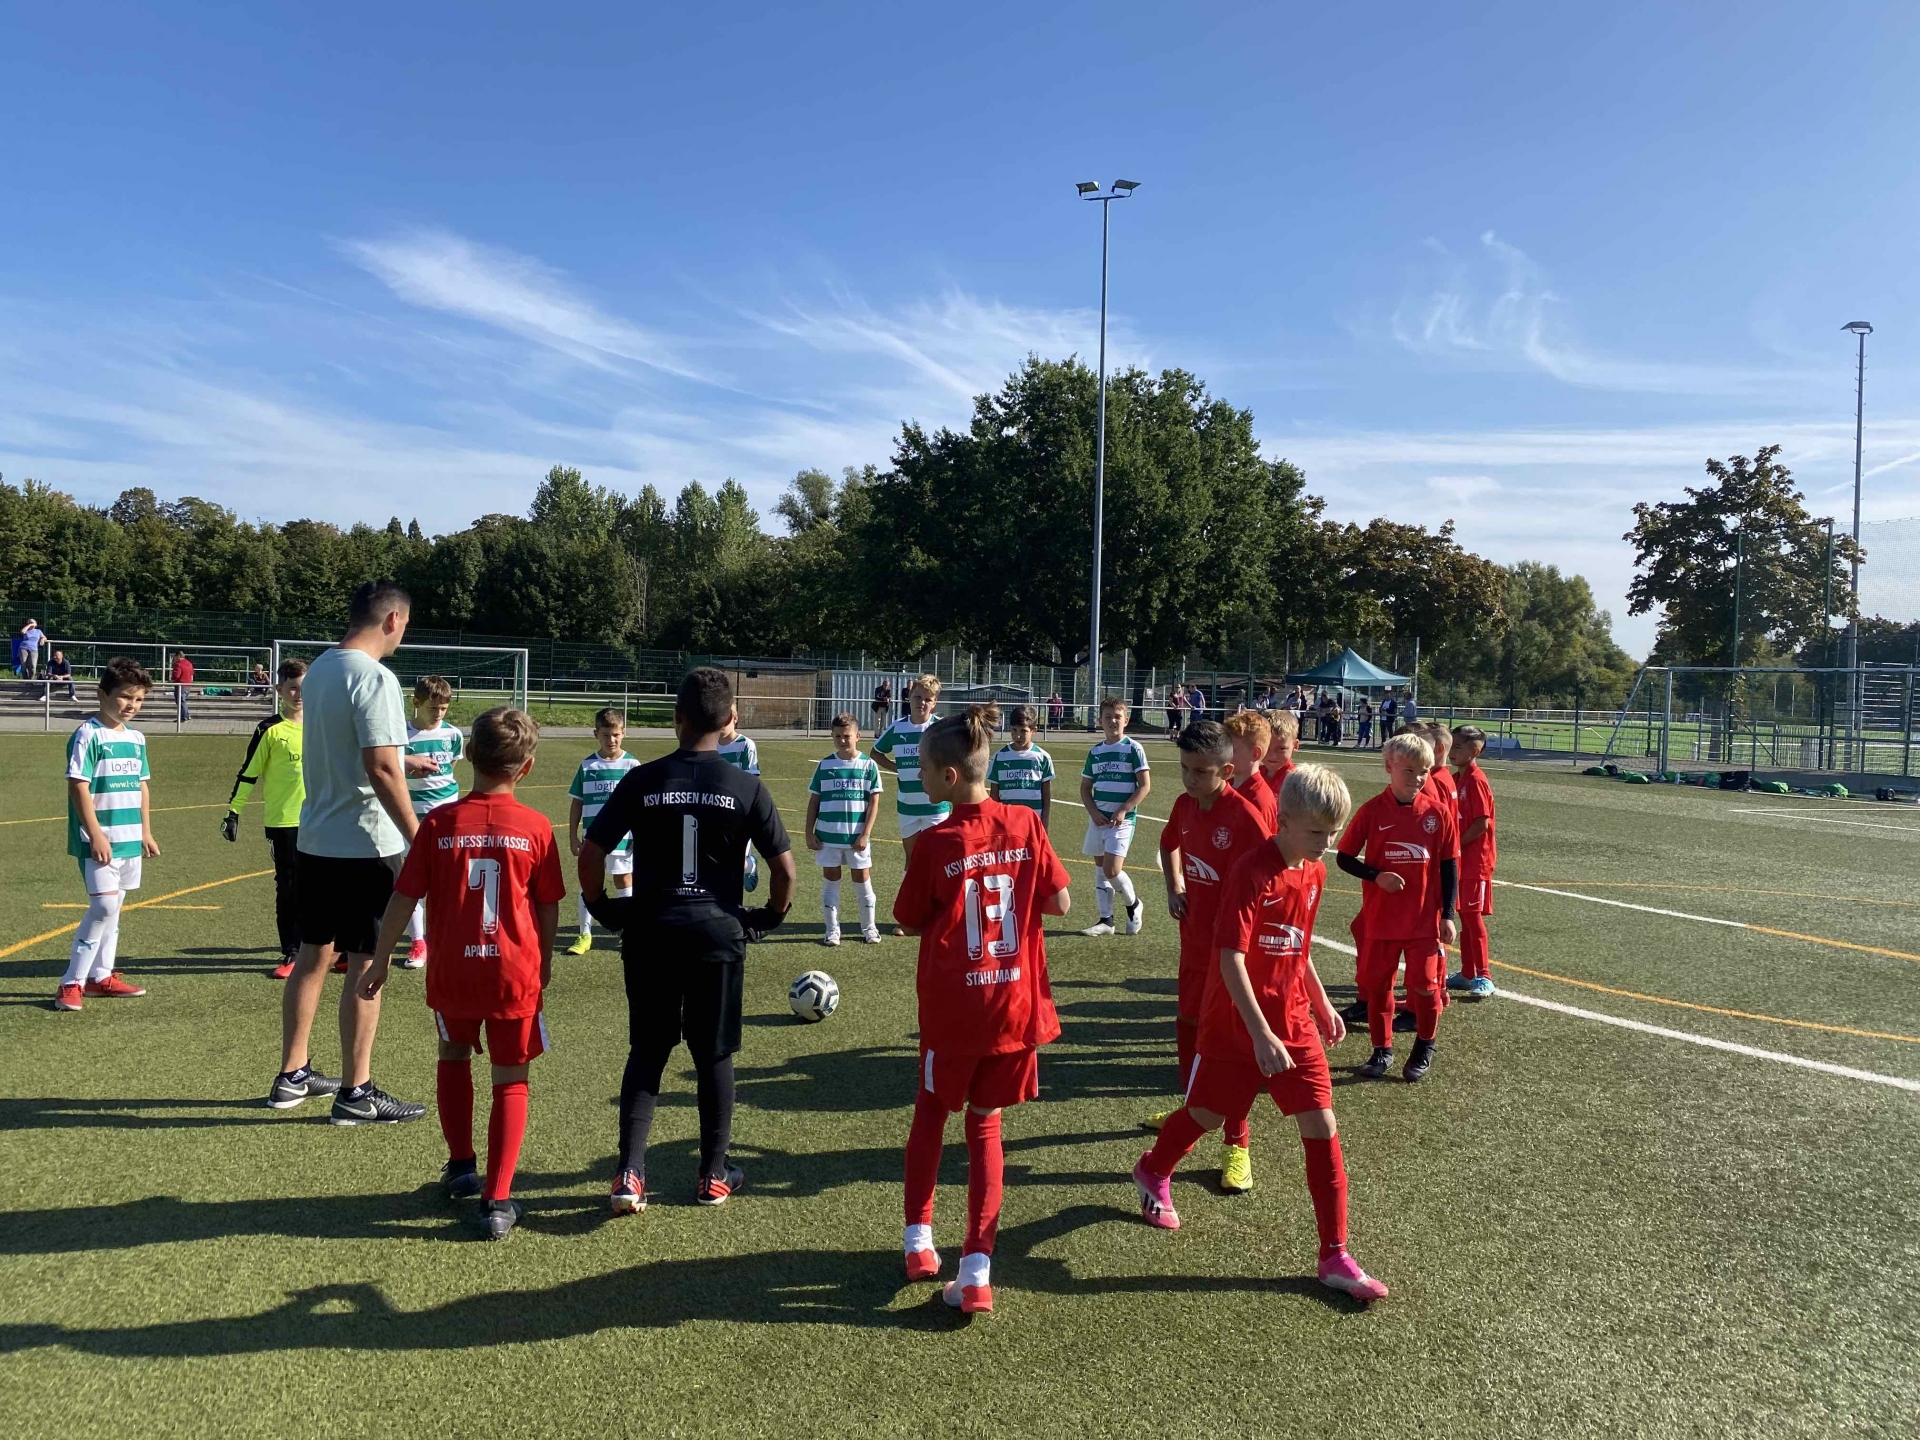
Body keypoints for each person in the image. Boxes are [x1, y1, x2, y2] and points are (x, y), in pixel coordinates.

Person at [1131, 764, 1390, 1303]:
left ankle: (1334, 1255)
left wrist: (1320, 1002)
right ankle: (1153, 1168)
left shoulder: (1314, 872)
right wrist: (1259, 1034)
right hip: (1237, 1026)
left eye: (1333, 833)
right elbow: (1230, 958)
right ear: (1285, 820)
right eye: (1317, 832)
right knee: (1206, 1115)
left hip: (1293, 1023)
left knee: (1322, 1124)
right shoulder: (1251, 871)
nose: (1326, 844)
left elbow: (1298, 946)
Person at [578, 667, 796, 1214]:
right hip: (717, 935)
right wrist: (769, 917)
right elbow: (785, 871)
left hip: (651, 930)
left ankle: (630, 1174)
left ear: (676, 719)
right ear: (731, 720)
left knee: (648, 1051)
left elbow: (591, 853)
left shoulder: (641, 779)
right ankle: (713, 1174)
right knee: (713, 1054)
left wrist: (603, 908)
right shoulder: (746, 785)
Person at [895, 703, 1073, 1313]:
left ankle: (919, 1242)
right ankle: (976, 1270)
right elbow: (1062, 904)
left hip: (954, 1011)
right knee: (986, 1127)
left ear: (949, 776)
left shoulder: (935, 841)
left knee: (930, 1115)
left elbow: (908, 918)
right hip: (1013, 1007)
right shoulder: (1025, 823)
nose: (918, 776)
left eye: (922, 768)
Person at [363, 707, 563, 1242]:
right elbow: (548, 906)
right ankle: (497, 1199)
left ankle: (460, 1167)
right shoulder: (536, 827)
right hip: (512, 974)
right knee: (510, 1077)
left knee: (452, 1054)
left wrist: (381, 958)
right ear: (527, 767)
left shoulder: (439, 823)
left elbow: (404, 895)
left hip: (453, 970)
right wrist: (543, 962)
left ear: (468, 755)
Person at [269, 580, 430, 1124]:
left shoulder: (319, 670)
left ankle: (292, 1075)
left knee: (312, 956)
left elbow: (351, 748)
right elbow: (379, 766)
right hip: (367, 845)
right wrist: (418, 836)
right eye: (404, 625)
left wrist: (404, 762)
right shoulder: (375, 676)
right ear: (392, 620)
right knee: (367, 963)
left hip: (315, 840)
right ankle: (356, 1092)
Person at [1150, 719, 1271, 1191]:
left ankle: (1237, 1144)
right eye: (1185, 768)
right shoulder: (1184, 806)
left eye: (1200, 771)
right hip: (1193, 945)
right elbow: (1168, 845)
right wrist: (1174, 886)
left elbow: (1270, 882)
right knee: (1187, 1024)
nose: (1190, 778)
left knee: (1228, 1048)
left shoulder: (1244, 817)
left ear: (1226, 770)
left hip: (1230, 957)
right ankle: (1190, 1109)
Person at [1335, 732, 1458, 1083]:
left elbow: (1449, 866)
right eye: (1409, 771)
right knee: (1379, 988)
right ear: (1389, 767)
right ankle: (1381, 1050)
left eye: (1424, 771)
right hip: (1381, 919)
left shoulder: (1437, 813)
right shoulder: (1372, 811)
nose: (1417, 778)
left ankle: (1425, 1045)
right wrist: (1377, 876)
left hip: (1423, 921)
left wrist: (1448, 915)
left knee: (1425, 987)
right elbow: (1344, 857)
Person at [54, 657, 159, 1011]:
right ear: (102, 694)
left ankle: (101, 977)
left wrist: (146, 831)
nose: (132, 705)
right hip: (98, 840)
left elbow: (142, 786)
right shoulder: (88, 734)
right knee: (103, 906)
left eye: (139, 699)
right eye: (125, 697)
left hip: (129, 838)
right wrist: (96, 834)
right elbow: (78, 786)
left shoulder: (137, 738)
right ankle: (71, 982)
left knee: (114, 910)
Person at [223, 658, 308, 977]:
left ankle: (332, 949)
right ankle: (292, 952)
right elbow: (249, 773)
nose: (300, 694)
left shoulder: (324, 724)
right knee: (289, 888)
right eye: (293, 688)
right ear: (279, 689)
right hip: (284, 822)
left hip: (322, 820)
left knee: (327, 885)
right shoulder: (269, 729)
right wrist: (234, 812)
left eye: (305, 688)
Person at [873, 674, 950, 932]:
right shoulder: (898, 728)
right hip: (907, 806)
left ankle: (941, 916)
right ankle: (910, 918)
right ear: (909, 698)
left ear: (934, 703)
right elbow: (875, 752)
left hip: (937, 807)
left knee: (939, 861)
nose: (921, 703)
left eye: (927, 699)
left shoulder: (940, 729)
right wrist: (896, 767)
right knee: (913, 861)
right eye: (917, 697)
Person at [401, 676, 465, 969]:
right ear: (416, 703)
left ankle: (444, 936)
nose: (438, 713)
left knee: (447, 879)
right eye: (432, 707)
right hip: (410, 819)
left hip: (446, 819)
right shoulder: (401, 735)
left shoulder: (453, 735)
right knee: (412, 880)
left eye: (443, 708)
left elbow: (449, 771)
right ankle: (418, 942)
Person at [805, 713, 883, 946]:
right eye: (837, 736)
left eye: (847, 736)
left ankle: (869, 928)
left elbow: (874, 803)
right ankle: (832, 930)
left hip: (856, 838)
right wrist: (809, 832)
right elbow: (814, 801)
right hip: (828, 837)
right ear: (832, 736)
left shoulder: (868, 765)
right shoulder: (825, 765)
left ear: (858, 736)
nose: (842, 740)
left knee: (862, 881)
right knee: (831, 881)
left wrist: (865, 834)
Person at [566, 708, 639, 955]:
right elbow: (577, 803)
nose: (611, 740)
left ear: (624, 733)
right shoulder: (588, 765)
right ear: (596, 734)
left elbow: (640, 805)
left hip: (623, 840)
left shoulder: (632, 765)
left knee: (624, 880)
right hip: (592, 841)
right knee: (589, 884)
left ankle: (629, 931)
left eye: (616, 734)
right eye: (606, 735)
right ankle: (584, 934)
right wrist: (573, 836)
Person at [1079, 698, 1151, 937]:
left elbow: (1144, 786)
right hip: (1099, 820)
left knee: (1112, 869)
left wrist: (1124, 809)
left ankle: (1134, 904)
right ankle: (1106, 921)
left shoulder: (1133, 749)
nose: (1112, 721)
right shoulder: (1095, 752)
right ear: (1100, 721)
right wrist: (1093, 812)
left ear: (1126, 720)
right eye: (1107, 717)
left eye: (1117, 717)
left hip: (1122, 821)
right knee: (1100, 869)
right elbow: (1085, 788)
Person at [1446, 725, 1498, 1000]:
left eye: (1457, 747)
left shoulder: (1476, 780)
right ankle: (1467, 972)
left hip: (1476, 861)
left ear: (1475, 751)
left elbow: (1481, 823)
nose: (1451, 751)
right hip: (1460, 860)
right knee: (1465, 915)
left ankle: (1484, 975)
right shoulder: (1456, 779)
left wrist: (1456, 844)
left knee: (1472, 918)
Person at [716, 710, 762, 896]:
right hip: (715, 810)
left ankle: (749, 865)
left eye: (726, 718)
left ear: (735, 718)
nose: (722, 722)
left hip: (739, 812)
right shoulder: (710, 744)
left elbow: (751, 783)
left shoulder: (745, 745)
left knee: (735, 862)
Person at [987, 706, 1054, 829]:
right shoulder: (999, 757)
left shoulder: (1043, 757)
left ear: (1033, 730)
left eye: (1023, 731)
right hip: (1006, 821)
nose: (1018, 736)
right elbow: (994, 794)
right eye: (1014, 730)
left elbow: (1046, 793)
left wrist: (1045, 819)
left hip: (1033, 821)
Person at [1222, 709, 1278, 831]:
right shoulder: (1225, 786)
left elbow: (1263, 842)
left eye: (1232, 750)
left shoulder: (1260, 800)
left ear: (1255, 754)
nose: (1224, 754)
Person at [1260, 710, 1299, 794]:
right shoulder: (1254, 774)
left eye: (1281, 748)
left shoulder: (1297, 781)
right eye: (1266, 747)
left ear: (1295, 745)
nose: (1272, 755)